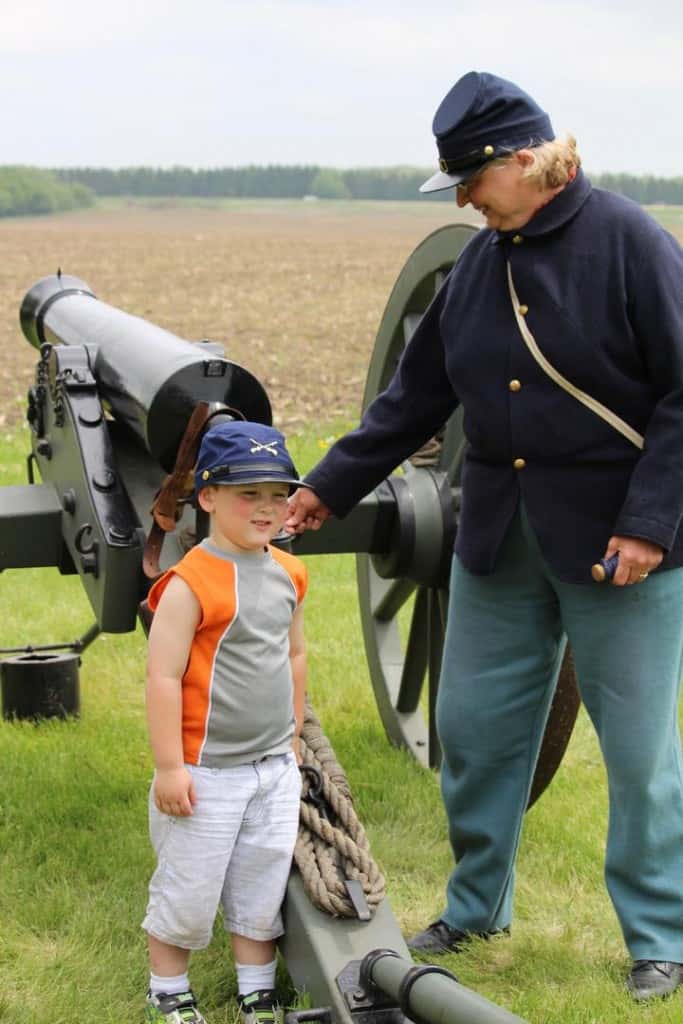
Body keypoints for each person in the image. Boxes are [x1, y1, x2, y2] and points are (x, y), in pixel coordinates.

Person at [286, 71, 683, 1001]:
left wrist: (650, 525)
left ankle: (659, 937)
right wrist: (326, 491)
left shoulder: (628, 242)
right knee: (472, 734)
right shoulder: (477, 263)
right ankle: (474, 906)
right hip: (498, 542)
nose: (463, 198)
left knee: (638, 757)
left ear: (525, 160)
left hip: (616, 550)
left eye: (471, 179)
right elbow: (412, 399)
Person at [142, 420, 309, 1024]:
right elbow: (162, 678)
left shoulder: (290, 573)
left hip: (270, 769)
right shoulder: (188, 584)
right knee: (188, 887)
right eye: (248, 494)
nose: (266, 508)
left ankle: (256, 989)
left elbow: (293, 655)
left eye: (277, 494)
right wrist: (169, 767)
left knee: (261, 886)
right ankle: (168, 989)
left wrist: (292, 734)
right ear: (207, 497)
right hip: (205, 770)